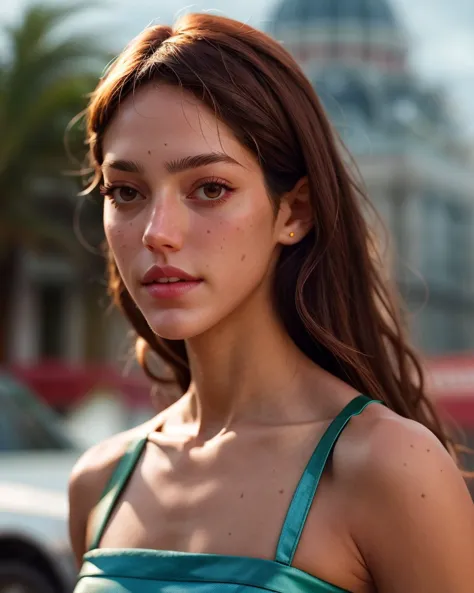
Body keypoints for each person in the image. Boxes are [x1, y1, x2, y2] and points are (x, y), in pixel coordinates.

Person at [69, 12, 474, 593]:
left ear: (295, 212)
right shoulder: (98, 481)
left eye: (210, 189)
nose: (158, 231)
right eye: (126, 192)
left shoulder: (388, 468)